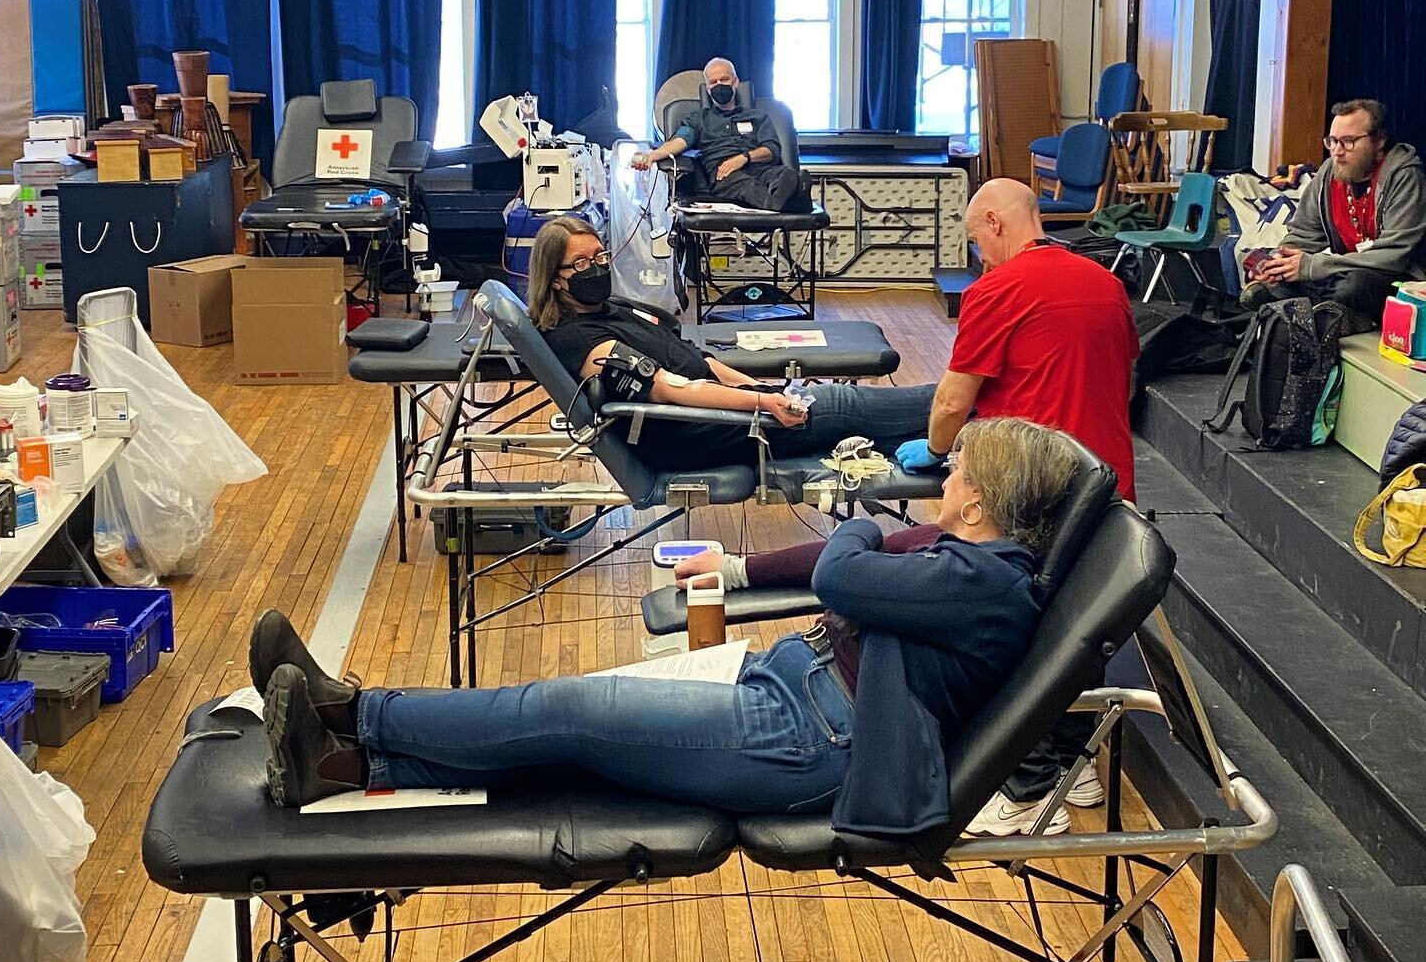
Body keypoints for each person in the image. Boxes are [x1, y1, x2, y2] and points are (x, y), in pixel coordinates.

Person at [253, 418, 1082, 836]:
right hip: (791, 687)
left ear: (980, 499)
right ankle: (347, 757)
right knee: (565, 716)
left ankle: (356, 716)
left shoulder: (985, 583)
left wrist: (854, 517)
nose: (947, 472)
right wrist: (738, 570)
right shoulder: (954, 554)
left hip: (808, 743)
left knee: (563, 713)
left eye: (961, 468)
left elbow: (842, 565)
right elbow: (852, 558)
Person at [897, 177, 1139, 839]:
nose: (977, 254)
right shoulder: (1104, 282)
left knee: (1011, 633)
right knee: (1071, 630)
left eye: (977, 239)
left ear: (998, 223)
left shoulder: (998, 289)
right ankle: (1073, 767)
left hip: (1034, 493)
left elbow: (951, 401)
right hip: (1107, 487)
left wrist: (940, 452)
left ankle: (1032, 788)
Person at [527, 216, 936, 472]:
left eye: (600, 257)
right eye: (581, 264)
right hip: (693, 432)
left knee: (865, 429)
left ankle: (963, 438)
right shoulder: (579, 339)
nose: (596, 268)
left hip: (717, 411)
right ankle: (968, 397)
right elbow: (671, 389)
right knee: (842, 405)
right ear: (555, 277)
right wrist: (762, 404)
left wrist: (757, 389)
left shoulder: (608, 307)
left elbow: (697, 360)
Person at [1242, 99, 1426, 330]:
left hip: (1393, 276)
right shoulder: (1330, 172)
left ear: (1379, 141)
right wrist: (1279, 264)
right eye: (1332, 141)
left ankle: (1312, 313)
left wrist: (1313, 266)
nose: (1337, 151)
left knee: (1355, 285)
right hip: (1343, 270)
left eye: (1348, 142)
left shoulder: (1405, 176)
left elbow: (1394, 253)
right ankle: (1326, 314)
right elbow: (1303, 233)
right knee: (1291, 279)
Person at [631, 57, 810, 215]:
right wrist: (652, 156)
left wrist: (744, 158)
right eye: (713, 82)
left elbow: (771, 151)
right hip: (723, 174)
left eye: (724, 79)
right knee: (746, 185)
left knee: (786, 173)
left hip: (759, 167)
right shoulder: (699, 118)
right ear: (707, 88)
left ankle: (783, 198)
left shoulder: (758, 117)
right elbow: (680, 141)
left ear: (735, 82)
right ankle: (784, 202)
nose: (718, 85)